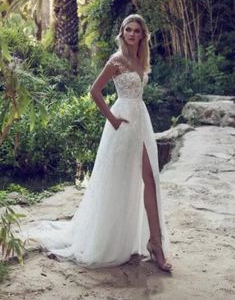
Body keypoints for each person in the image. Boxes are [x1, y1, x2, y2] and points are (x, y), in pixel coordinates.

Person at [24, 14, 172, 273]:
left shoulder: (140, 60)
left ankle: (155, 242)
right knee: (119, 180)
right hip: (123, 121)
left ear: (143, 35)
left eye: (137, 30)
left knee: (150, 179)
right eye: (128, 29)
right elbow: (94, 91)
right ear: (122, 32)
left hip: (141, 119)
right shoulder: (116, 61)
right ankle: (111, 239)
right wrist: (113, 119)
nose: (132, 34)